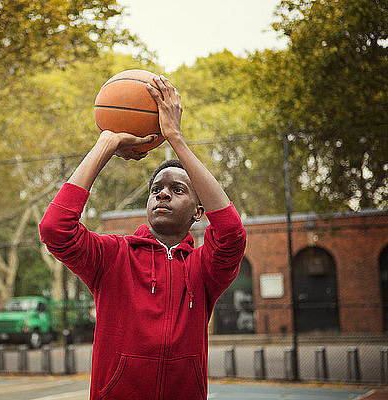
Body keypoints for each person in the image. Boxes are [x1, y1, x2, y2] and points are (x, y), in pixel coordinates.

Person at [39, 75, 247, 399]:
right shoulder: (113, 257)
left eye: (177, 190)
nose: (163, 194)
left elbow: (232, 232)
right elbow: (55, 228)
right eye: (156, 189)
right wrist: (106, 143)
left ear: (198, 211)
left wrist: (175, 138)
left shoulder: (204, 269)